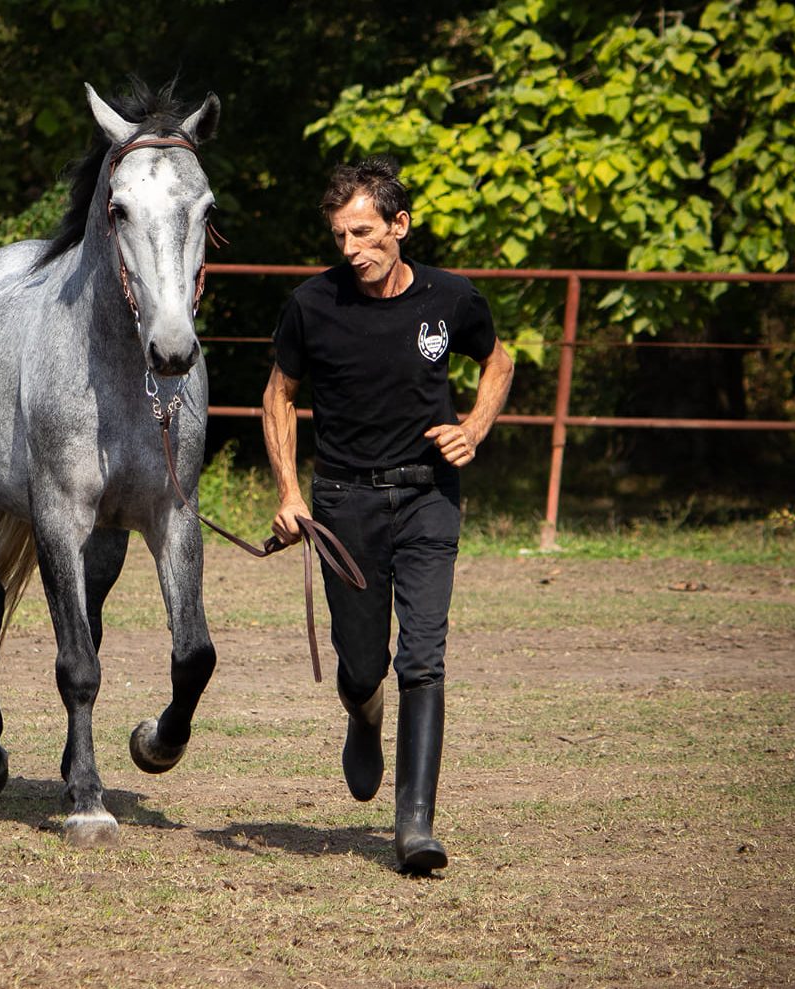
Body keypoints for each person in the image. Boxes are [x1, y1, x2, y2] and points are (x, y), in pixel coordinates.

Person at [262, 155, 514, 872]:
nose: (353, 250)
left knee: (423, 656)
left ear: (399, 225)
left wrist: (473, 427)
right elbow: (277, 396)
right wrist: (289, 493)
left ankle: (414, 827)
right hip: (344, 501)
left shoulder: (450, 298)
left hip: (429, 496)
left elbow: (498, 362)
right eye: (341, 236)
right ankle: (361, 713)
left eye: (366, 233)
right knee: (361, 662)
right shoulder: (313, 305)